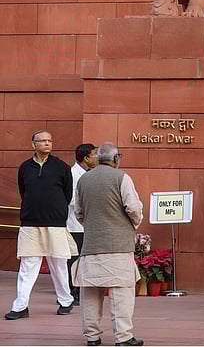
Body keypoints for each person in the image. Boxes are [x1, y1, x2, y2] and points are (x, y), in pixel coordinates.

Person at [72, 143, 144, 346]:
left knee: (90, 292)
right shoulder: (122, 177)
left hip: (91, 245)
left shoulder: (83, 180)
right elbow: (133, 208)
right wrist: (132, 224)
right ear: (116, 159)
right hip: (119, 246)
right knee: (122, 294)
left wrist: (93, 226)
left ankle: (92, 337)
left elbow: (78, 212)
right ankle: (123, 337)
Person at [6, 131, 76, 321]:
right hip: (30, 224)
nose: (47, 143)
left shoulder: (61, 167)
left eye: (49, 140)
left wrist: (57, 211)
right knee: (27, 266)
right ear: (33, 144)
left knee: (59, 265)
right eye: (42, 140)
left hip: (55, 224)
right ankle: (20, 306)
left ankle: (65, 301)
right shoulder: (25, 167)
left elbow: (67, 194)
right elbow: (24, 191)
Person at [67, 143, 97, 306]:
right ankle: (72, 291)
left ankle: (79, 290)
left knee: (83, 259)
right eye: (94, 154)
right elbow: (71, 199)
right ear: (86, 158)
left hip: (87, 224)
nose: (97, 157)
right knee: (73, 259)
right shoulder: (73, 174)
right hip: (75, 224)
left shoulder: (89, 174)